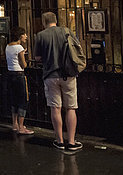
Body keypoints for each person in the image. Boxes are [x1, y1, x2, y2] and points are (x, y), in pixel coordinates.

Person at [35, 12, 82, 151]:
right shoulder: (67, 31)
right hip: (68, 74)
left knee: (55, 108)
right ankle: (72, 142)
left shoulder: (40, 35)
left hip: (50, 75)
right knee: (71, 108)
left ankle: (60, 141)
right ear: (56, 20)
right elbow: (77, 48)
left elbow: (37, 58)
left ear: (44, 21)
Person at [7, 26, 33, 135]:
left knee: (14, 99)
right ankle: (21, 126)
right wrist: (24, 55)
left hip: (10, 74)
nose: (26, 36)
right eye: (24, 34)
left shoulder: (8, 46)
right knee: (23, 99)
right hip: (19, 75)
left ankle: (14, 124)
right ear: (19, 36)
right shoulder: (19, 47)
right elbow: (24, 64)